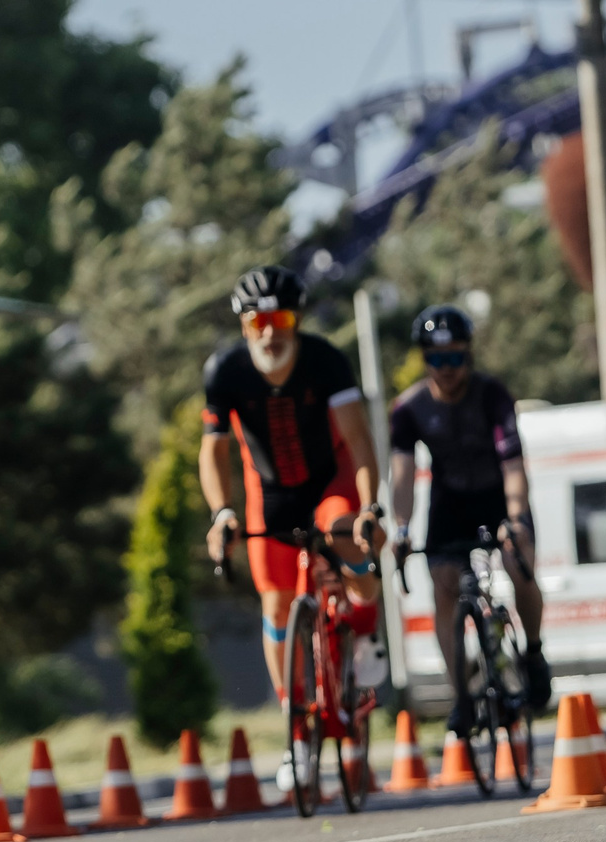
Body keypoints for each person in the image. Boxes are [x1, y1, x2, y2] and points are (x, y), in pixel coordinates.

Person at [200, 265, 386, 790]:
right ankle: (295, 731)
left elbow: (359, 437)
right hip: (271, 494)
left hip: (331, 482)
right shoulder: (225, 371)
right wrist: (222, 513)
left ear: (296, 320)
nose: (268, 331)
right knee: (276, 602)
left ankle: (367, 634)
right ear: (242, 325)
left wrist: (369, 505)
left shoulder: (325, 360)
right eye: (256, 320)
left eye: (279, 318)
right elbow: (213, 453)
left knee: (353, 537)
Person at [383, 305, 550, 736]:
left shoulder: (492, 395)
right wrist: (401, 527)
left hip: (498, 497)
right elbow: (402, 475)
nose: (447, 369)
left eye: (455, 357)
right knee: (441, 586)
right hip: (449, 503)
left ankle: (532, 652)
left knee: (518, 562)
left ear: (468, 355)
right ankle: (461, 694)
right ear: (425, 360)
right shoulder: (409, 409)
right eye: (436, 360)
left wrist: (515, 518)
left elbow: (514, 465)